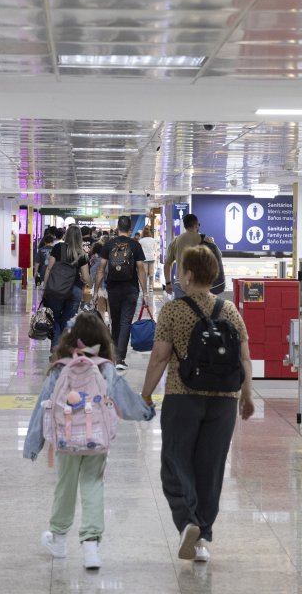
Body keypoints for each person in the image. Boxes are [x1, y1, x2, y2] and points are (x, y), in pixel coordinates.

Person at [141, 246, 254, 562]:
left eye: (180, 270)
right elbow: (244, 358)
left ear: (188, 275)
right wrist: (247, 395)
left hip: (183, 396)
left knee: (175, 464)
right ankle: (202, 538)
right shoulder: (229, 310)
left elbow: (159, 357)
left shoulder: (173, 311)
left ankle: (187, 521)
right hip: (224, 401)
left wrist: (146, 393)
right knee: (211, 468)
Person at [23, 311, 154, 569]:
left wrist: (33, 445)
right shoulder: (105, 368)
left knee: (65, 486)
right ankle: (91, 546)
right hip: (96, 439)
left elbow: (43, 406)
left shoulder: (60, 368)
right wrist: (146, 411)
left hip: (65, 440)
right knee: (93, 485)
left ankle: (59, 540)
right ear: (102, 339)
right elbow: (125, 400)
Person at [92, 216, 147, 370]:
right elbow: (141, 269)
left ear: (117, 228)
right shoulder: (135, 245)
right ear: (130, 229)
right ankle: (120, 358)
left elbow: (101, 269)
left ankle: (114, 355)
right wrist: (145, 292)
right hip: (131, 288)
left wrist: (96, 291)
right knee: (125, 321)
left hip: (113, 288)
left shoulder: (109, 245)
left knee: (115, 321)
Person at [42, 224, 89, 350]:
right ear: (79, 238)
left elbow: (49, 268)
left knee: (55, 318)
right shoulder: (82, 254)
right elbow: (86, 278)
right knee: (68, 320)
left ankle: (55, 347)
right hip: (75, 290)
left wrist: (45, 287)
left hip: (56, 289)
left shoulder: (58, 247)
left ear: (66, 235)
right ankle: (64, 348)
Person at [164, 213, 222, 298]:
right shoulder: (205, 239)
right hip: (199, 284)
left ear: (185, 226)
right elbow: (218, 255)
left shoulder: (175, 241)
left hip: (180, 283)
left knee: (180, 306)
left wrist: (168, 283)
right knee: (198, 306)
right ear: (196, 225)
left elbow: (167, 264)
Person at [139, 224, 159, 297]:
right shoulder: (153, 240)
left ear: (143, 232)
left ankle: (144, 288)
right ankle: (151, 287)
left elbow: (140, 250)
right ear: (149, 232)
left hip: (144, 258)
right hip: (152, 257)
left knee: (145, 274)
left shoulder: (141, 241)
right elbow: (155, 249)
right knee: (151, 273)